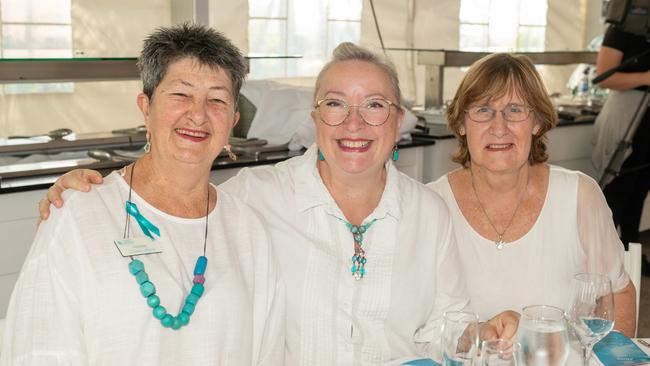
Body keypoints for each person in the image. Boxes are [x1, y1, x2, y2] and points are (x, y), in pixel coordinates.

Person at [35, 42, 519, 365]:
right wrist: (95, 193)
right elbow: (173, 208)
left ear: (397, 122)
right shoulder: (253, 198)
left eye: (374, 105)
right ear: (315, 118)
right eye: (335, 104)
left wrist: (482, 333)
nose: (354, 123)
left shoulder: (427, 213)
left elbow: (444, 324)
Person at [0, 24, 284, 365]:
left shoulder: (247, 229)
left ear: (233, 121)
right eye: (180, 94)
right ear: (146, 107)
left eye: (217, 99)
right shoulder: (79, 215)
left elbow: (267, 352)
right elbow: (37, 350)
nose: (198, 113)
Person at [426, 53, 637, 336]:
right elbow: (416, 323)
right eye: (482, 110)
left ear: (537, 122)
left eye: (515, 110)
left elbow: (618, 294)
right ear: (461, 124)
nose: (499, 127)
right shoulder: (431, 205)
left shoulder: (579, 197)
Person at [592, 24, 650, 275]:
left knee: (638, 193)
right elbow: (604, 76)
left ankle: (631, 258)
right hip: (627, 118)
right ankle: (597, 265)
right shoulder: (623, 26)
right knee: (616, 196)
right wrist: (646, 77)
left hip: (647, 123)